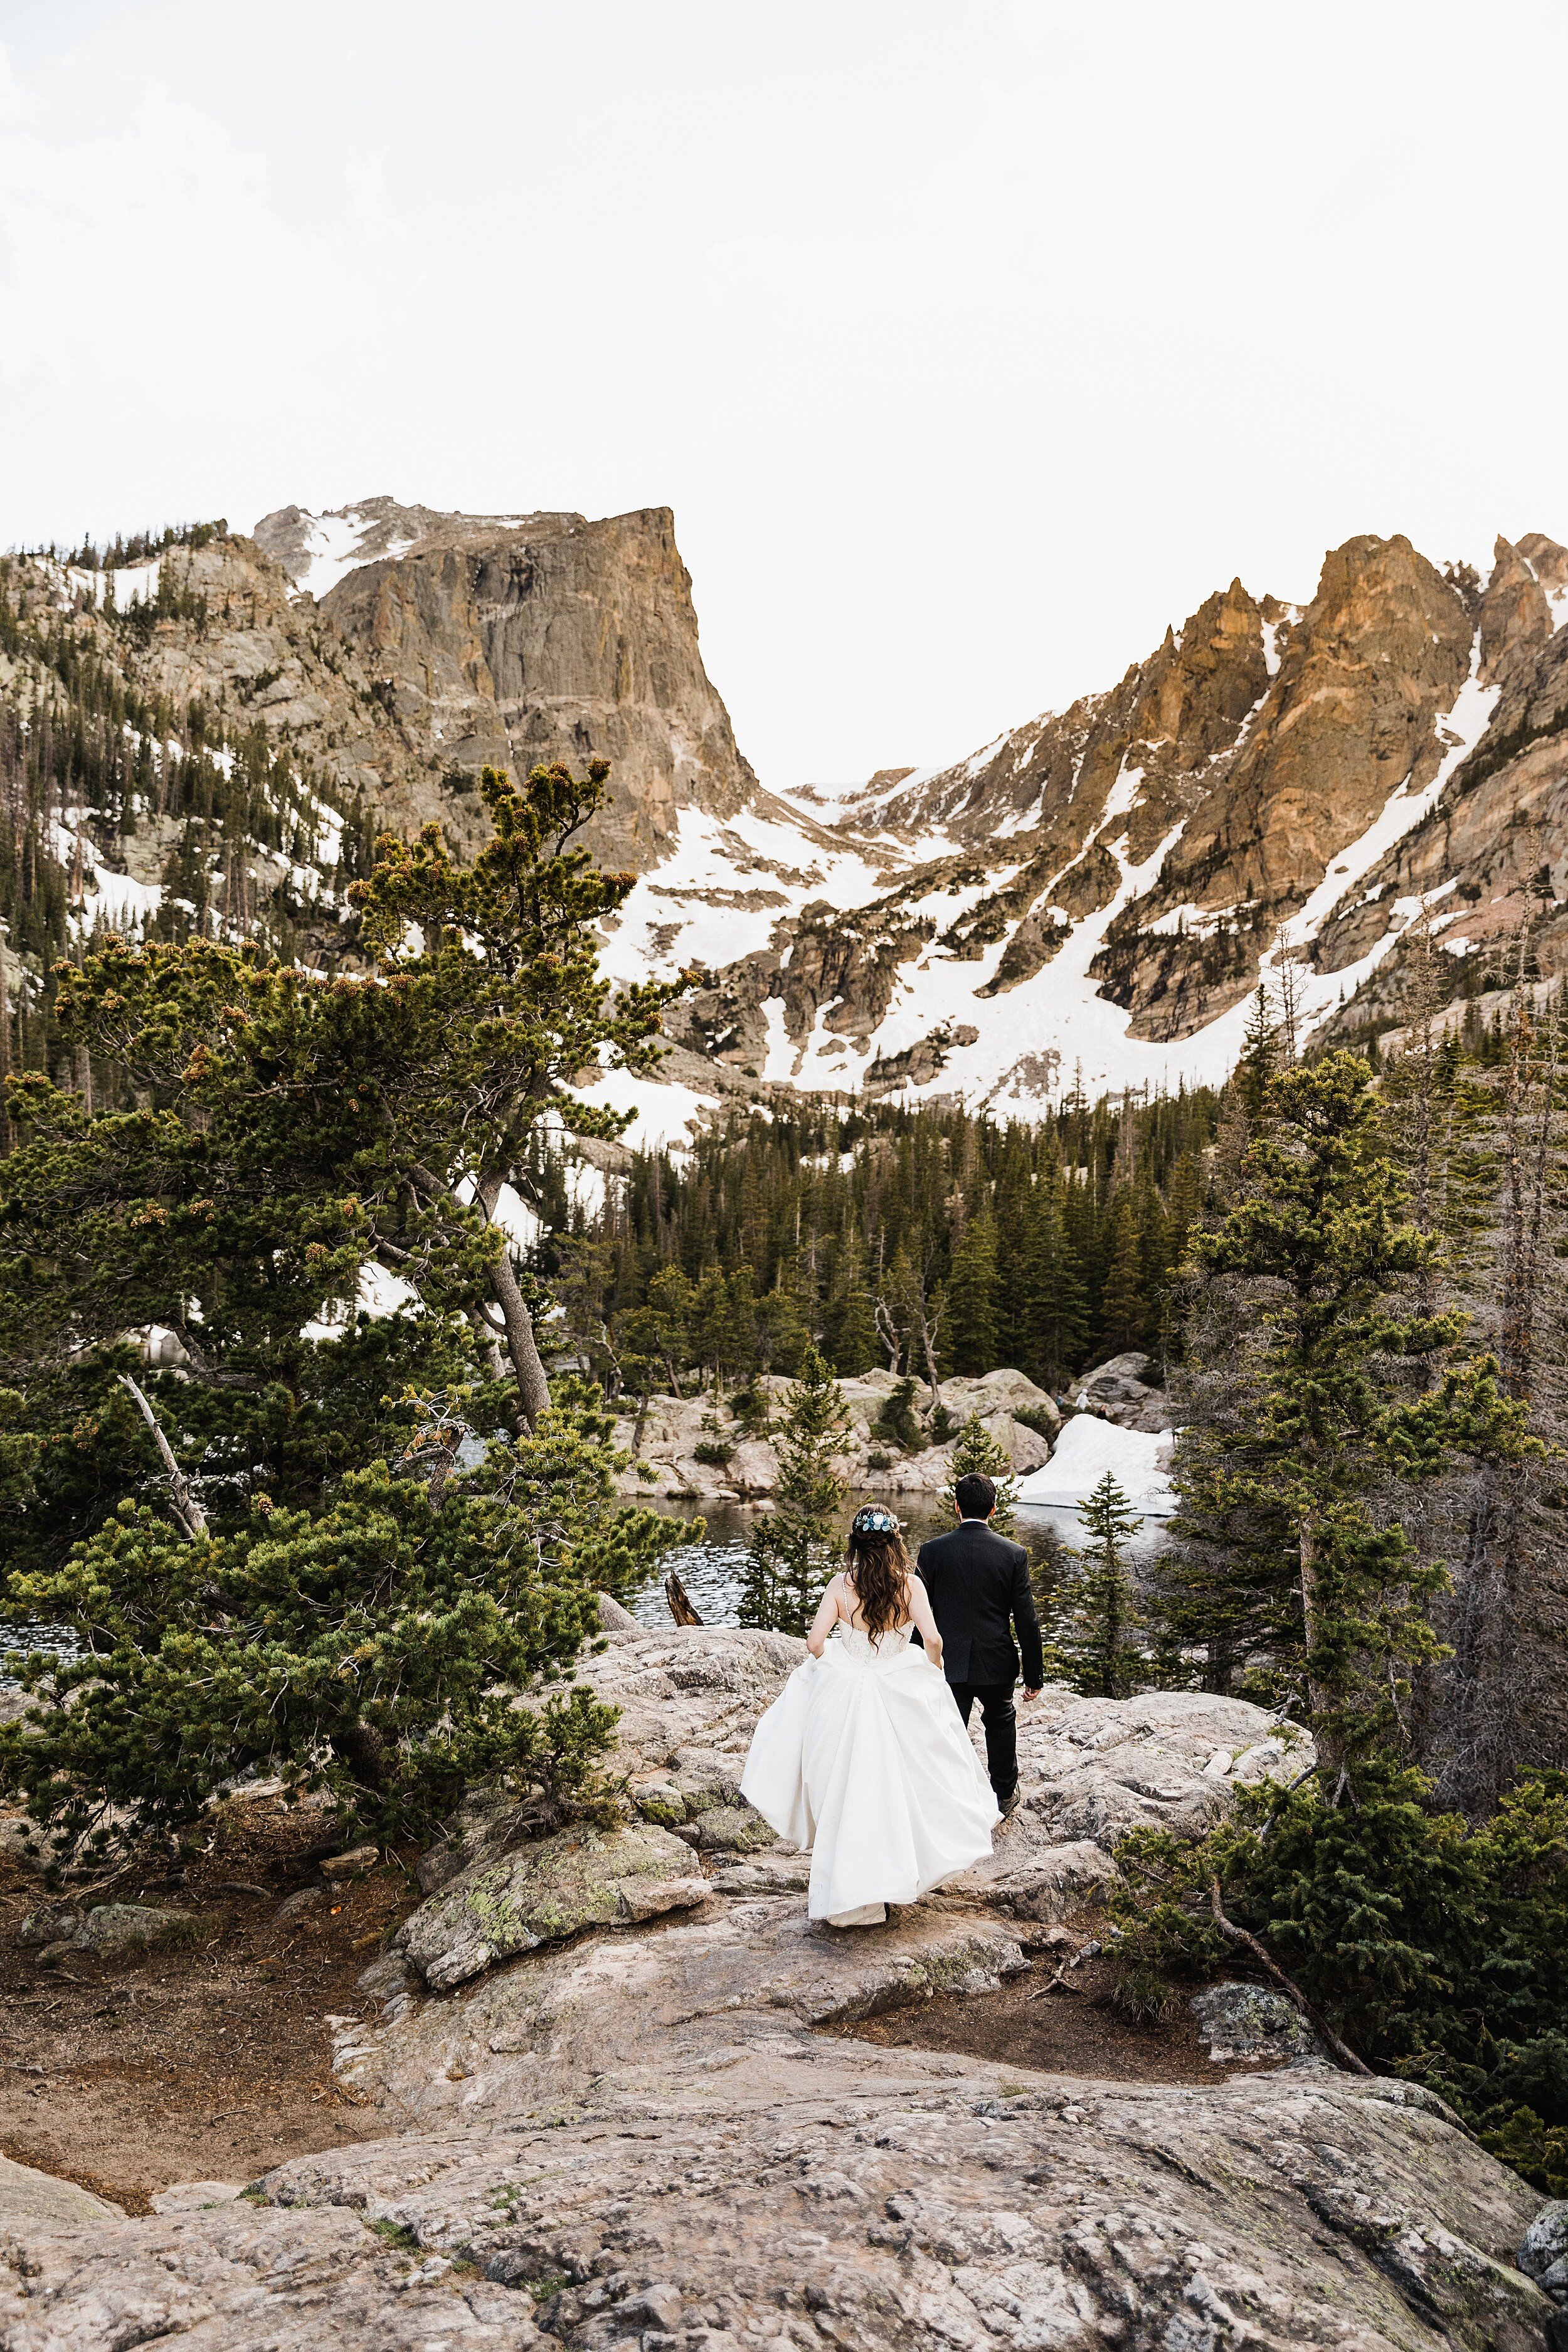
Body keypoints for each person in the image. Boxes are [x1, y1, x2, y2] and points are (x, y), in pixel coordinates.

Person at [740, 1504, 1000, 1928]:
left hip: (848, 1691)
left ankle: (850, 1887)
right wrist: (931, 1668)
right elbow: (933, 1639)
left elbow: (814, 1643)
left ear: (856, 1543)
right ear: (895, 1541)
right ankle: (897, 1875)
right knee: (905, 1785)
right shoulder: (910, 1586)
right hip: (897, 1684)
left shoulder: (841, 1587)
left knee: (846, 1787)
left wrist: (838, 1663)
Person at [915, 1471, 1043, 1816]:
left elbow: (919, 1612)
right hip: (996, 1658)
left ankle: (948, 1795)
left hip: (946, 1659)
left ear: (956, 1507)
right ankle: (1003, 1792)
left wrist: (915, 1661)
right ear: (994, 1509)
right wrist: (1034, 1676)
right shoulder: (1013, 1553)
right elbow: (1026, 1619)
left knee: (947, 1725)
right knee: (1000, 1719)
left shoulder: (931, 1552)